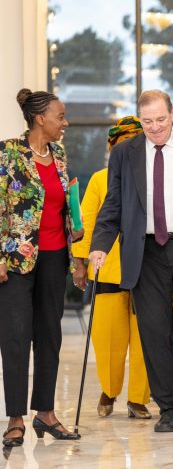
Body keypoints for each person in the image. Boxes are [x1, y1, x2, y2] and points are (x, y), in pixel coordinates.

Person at [88, 90, 173, 433]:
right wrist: (100, 245)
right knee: (153, 333)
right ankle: (168, 408)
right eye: (147, 121)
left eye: (161, 119)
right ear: (140, 119)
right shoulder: (125, 153)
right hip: (147, 252)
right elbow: (114, 205)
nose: (155, 127)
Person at [0, 88, 82, 446]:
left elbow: (66, 206)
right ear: (40, 119)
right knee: (16, 337)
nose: (65, 123)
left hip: (54, 255)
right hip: (16, 259)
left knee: (50, 334)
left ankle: (45, 413)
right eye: (60, 117)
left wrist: (75, 244)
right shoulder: (7, 152)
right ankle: (15, 416)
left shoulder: (59, 153)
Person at [71, 116, 151, 420]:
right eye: (122, 143)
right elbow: (86, 223)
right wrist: (79, 262)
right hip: (109, 270)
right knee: (107, 338)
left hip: (149, 270)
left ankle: (138, 398)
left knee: (146, 338)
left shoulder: (155, 175)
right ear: (111, 146)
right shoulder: (100, 179)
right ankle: (109, 389)